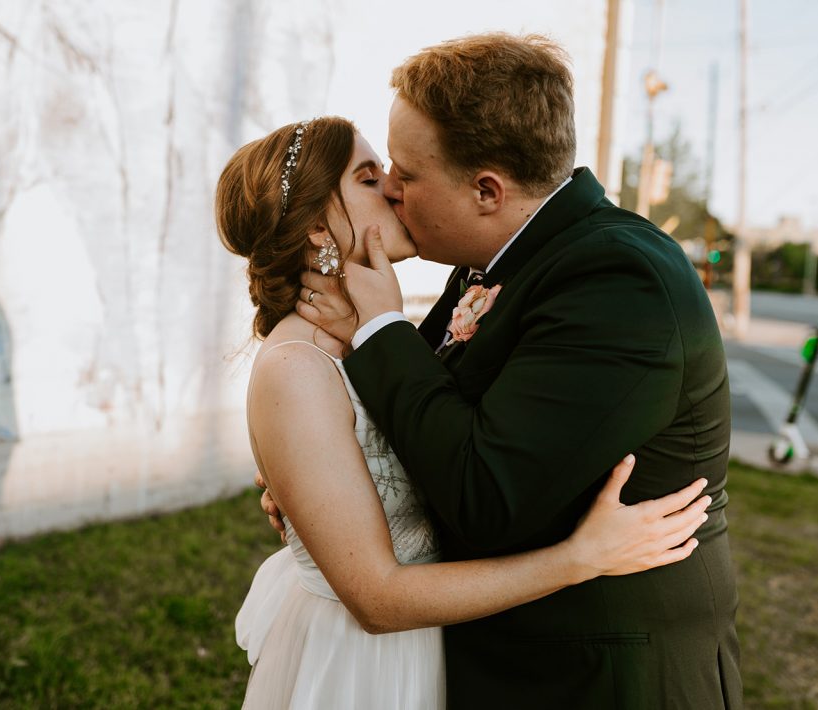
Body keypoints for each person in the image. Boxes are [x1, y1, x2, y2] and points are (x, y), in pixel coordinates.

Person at [294, 33, 742, 708]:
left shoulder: (622, 282)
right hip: (508, 655)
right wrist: (330, 487)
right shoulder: (499, 259)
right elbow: (433, 422)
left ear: (486, 190)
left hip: (601, 678)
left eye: (407, 175)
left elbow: (485, 495)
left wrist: (383, 328)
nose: (390, 188)